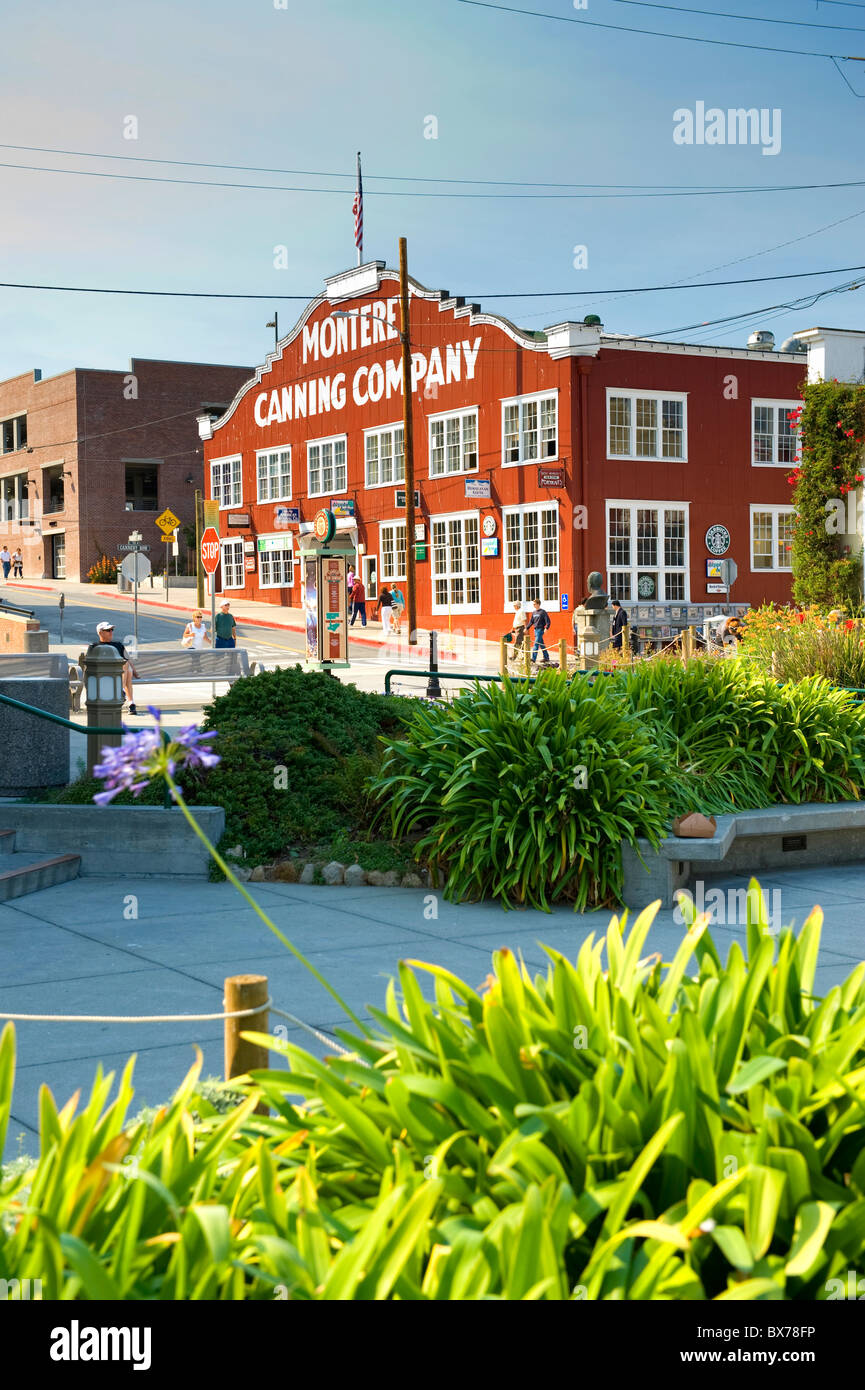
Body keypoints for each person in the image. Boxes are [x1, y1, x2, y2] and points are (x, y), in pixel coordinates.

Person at [95, 620, 139, 714]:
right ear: (100, 633)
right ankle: (127, 699)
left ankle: (126, 697)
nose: (111, 632)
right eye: (108, 630)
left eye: (112, 630)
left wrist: (135, 672)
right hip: (105, 672)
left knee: (128, 668)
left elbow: (128, 658)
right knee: (126, 667)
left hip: (121, 672)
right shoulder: (96, 647)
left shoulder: (118, 645)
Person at [529, 598, 551, 665]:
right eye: (533, 604)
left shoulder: (543, 612)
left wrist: (546, 628)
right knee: (541, 645)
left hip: (540, 630)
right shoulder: (534, 612)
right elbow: (531, 621)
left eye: (534, 604)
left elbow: (548, 621)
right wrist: (527, 628)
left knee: (536, 644)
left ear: (538, 604)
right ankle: (546, 657)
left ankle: (533, 659)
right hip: (535, 630)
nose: (533, 605)